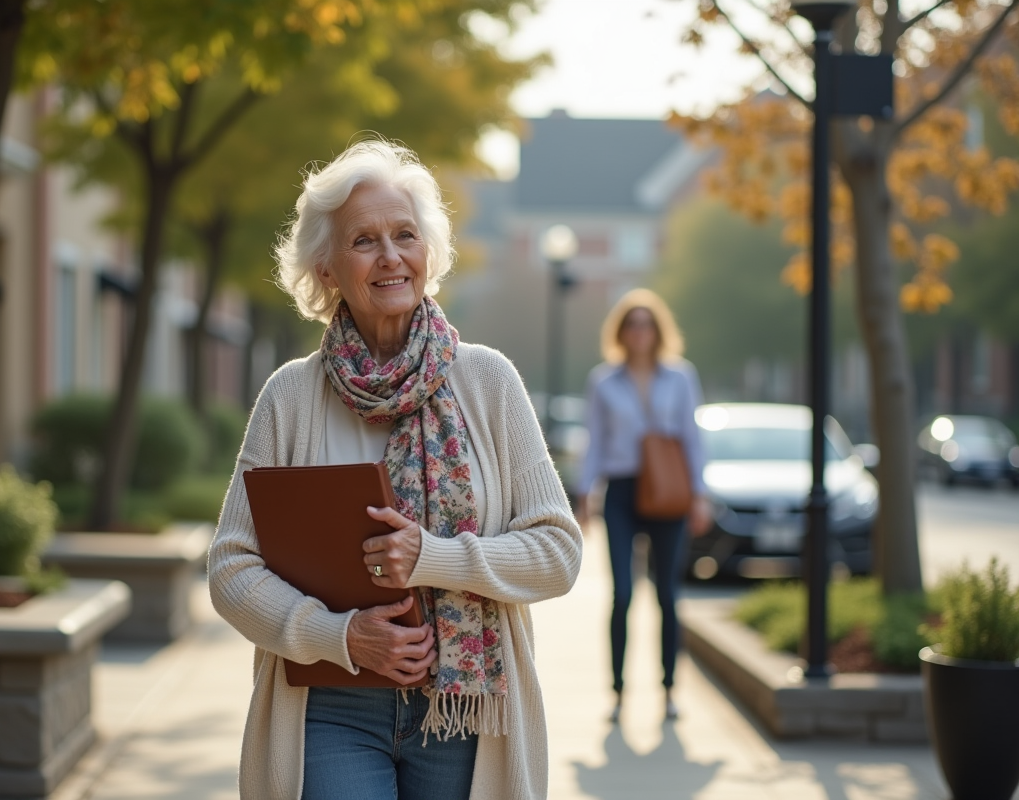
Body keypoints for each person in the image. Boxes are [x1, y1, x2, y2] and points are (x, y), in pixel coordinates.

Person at [208, 140, 582, 800]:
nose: (390, 256)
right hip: (330, 706)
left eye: (404, 235)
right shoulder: (290, 397)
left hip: (464, 716)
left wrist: (430, 557)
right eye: (364, 240)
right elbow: (231, 568)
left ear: (428, 255)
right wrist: (340, 635)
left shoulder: (488, 382)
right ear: (326, 269)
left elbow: (558, 552)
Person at [576, 288, 709, 723]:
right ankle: (617, 693)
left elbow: (692, 438)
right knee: (624, 594)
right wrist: (583, 496)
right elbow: (594, 441)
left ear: (657, 330)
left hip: (670, 489)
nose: (639, 331)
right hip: (621, 491)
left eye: (646, 323)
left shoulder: (681, 377)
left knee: (669, 596)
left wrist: (700, 495)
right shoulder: (603, 381)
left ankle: (669, 690)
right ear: (621, 331)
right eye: (631, 323)